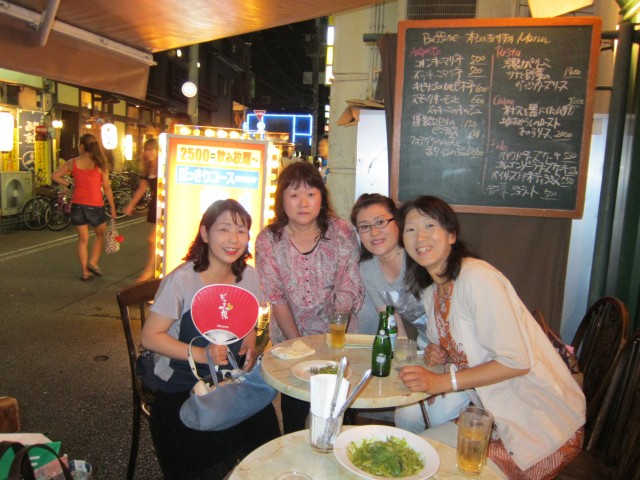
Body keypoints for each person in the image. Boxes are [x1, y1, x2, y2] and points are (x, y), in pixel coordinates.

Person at [397, 195, 585, 479]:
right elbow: (466, 345)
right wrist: (443, 353)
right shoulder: (431, 292)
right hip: (490, 417)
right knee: (414, 455)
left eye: (429, 225)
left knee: (440, 472)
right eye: (410, 229)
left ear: (451, 235)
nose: (420, 236)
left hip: (539, 425)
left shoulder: (477, 277)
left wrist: (442, 381)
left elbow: (515, 361)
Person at [141, 199, 280, 480]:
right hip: (180, 384)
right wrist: (202, 354)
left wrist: (249, 342)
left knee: (267, 440)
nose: (233, 239)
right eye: (224, 229)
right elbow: (150, 337)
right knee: (205, 453)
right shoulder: (182, 281)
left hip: (228, 380)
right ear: (205, 233)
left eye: (241, 231)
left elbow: (247, 320)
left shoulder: (249, 278)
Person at [256, 161, 364, 433]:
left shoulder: (341, 232)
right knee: (294, 409)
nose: (303, 202)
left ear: (322, 198)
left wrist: (331, 342)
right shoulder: (268, 240)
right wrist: (299, 347)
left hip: (337, 337)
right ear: (282, 200)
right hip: (291, 340)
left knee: (336, 411)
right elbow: (277, 299)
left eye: (311, 194)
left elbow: (347, 287)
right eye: (294, 194)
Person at [350, 193, 469, 433]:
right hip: (429, 347)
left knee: (437, 417)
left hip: (462, 348)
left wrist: (443, 351)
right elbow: (392, 323)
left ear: (398, 222)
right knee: (406, 414)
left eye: (381, 222)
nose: (374, 232)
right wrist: (404, 362)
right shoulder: (367, 268)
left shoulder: (420, 254)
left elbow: (457, 317)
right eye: (364, 226)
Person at [51, 133, 116, 281]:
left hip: (77, 205)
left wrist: (70, 185)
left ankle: (85, 273)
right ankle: (93, 262)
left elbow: (55, 176)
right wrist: (112, 207)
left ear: (81, 146)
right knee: (100, 235)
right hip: (95, 205)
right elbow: (106, 187)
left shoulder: (72, 163)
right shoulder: (100, 164)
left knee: (82, 240)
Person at [125, 137, 159, 282]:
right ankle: (153, 269)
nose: (148, 152)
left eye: (151, 149)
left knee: (153, 239)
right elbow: (142, 188)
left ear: (158, 150)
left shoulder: (164, 165)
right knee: (157, 239)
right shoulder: (148, 167)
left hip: (167, 203)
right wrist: (131, 204)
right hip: (157, 203)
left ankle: (149, 270)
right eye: (146, 150)